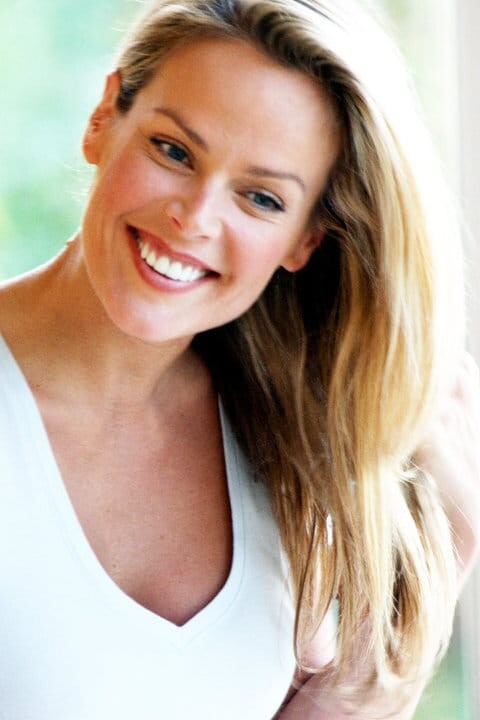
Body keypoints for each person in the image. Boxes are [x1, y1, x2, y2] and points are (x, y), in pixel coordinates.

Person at [0, 0, 478, 717]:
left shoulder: (282, 451)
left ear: (305, 241)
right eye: (173, 151)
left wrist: (450, 542)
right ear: (103, 118)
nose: (194, 218)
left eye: (260, 197)